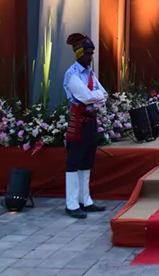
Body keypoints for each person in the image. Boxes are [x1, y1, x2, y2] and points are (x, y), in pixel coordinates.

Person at [62, 33, 108, 219]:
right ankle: (72, 203)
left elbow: (104, 94)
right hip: (78, 123)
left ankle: (85, 200)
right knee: (74, 162)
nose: (91, 57)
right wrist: (94, 96)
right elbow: (85, 97)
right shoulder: (71, 74)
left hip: (91, 121)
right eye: (88, 53)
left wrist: (94, 96)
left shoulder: (90, 74)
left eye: (92, 53)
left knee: (87, 161)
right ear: (79, 53)